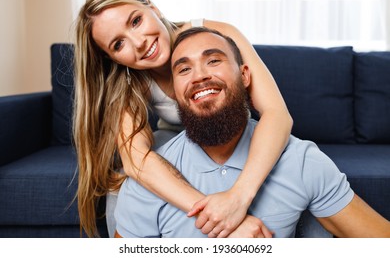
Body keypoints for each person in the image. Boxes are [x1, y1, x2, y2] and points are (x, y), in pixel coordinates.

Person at [114, 27, 390, 238]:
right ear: (174, 92)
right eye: (184, 69)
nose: (199, 75)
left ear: (245, 75)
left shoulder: (302, 161)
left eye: (213, 61)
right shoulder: (147, 184)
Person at [73, 0, 292, 238]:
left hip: (229, 131)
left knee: (293, 166)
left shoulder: (216, 34)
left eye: (136, 21)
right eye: (119, 44)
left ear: (151, 6)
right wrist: (217, 215)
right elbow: (136, 160)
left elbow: (277, 114)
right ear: (114, 59)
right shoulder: (129, 79)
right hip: (177, 139)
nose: (140, 42)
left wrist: (238, 198)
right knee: (123, 186)